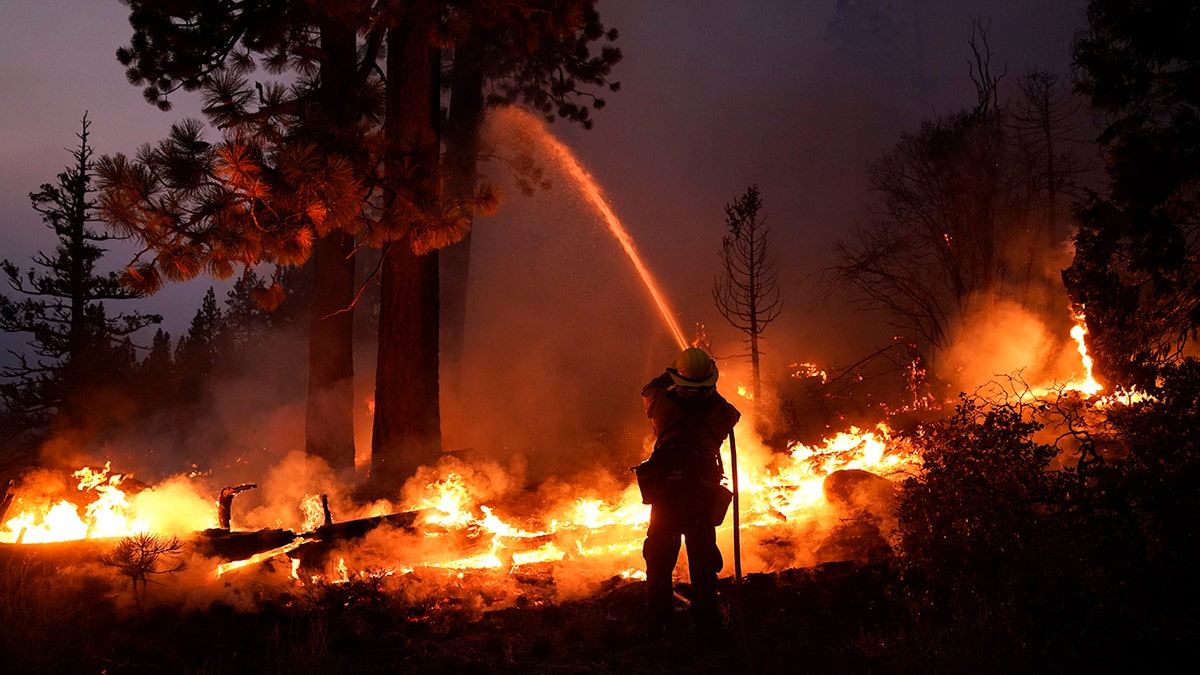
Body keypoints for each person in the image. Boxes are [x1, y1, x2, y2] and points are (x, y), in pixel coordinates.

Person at [636, 346, 741, 637]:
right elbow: (733, 412)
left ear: (677, 379)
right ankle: (707, 622)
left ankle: (660, 621)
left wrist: (671, 372)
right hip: (702, 493)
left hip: (668, 491)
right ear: (711, 382)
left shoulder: (661, 404)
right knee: (703, 556)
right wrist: (710, 389)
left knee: (659, 555)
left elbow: (650, 387)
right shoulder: (723, 413)